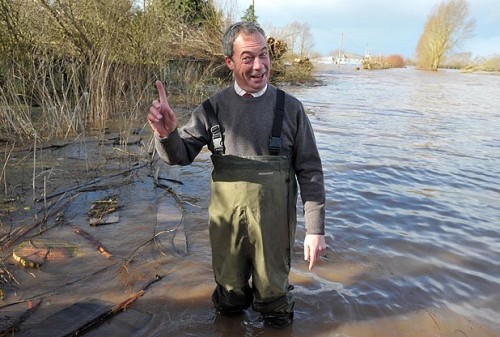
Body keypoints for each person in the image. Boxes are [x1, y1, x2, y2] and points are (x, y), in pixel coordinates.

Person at [147, 21, 326, 329]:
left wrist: (315, 230)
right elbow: (180, 155)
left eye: (264, 55)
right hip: (226, 225)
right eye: (248, 58)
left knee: (275, 299)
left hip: (274, 225)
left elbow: (310, 170)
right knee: (229, 297)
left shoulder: (292, 109)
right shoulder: (211, 110)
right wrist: (167, 134)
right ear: (229, 62)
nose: (259, 66)